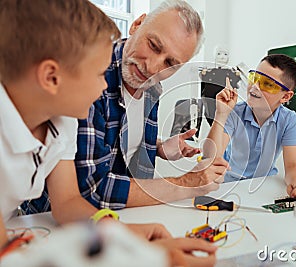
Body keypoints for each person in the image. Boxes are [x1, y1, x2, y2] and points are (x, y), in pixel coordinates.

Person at [0, 1, 217, 266]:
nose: (105, 85)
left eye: (170, 63)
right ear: (52, 77)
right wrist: (151, 259)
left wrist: (117, 232)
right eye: (100, 74)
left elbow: (68, 200)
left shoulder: (63, 120)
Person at [204, 54, 296, 198]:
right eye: (254, 78)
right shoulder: (234, 112)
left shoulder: (289, 120)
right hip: (229, 184)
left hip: (264, 185)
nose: (254, 87)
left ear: (285, 97)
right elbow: (210, 157)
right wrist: (221, 114)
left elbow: (294, 166)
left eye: (267, 84)